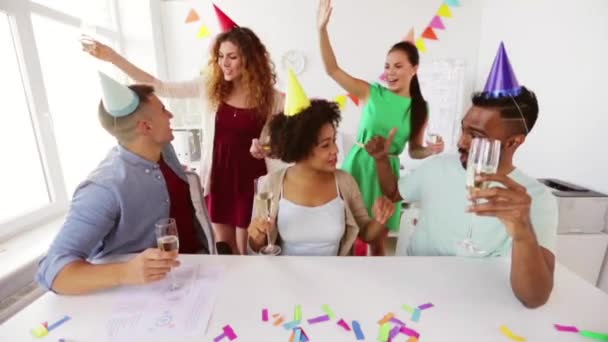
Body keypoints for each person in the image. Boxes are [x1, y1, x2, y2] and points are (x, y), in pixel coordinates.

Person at [366, 43, 557, 308]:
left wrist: (523, 231)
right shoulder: (438, 167)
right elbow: (392, 193)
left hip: (480, 306)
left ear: (514, 142)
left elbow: (534, 298)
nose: (461, 141)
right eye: (463, 129)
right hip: (414, 296)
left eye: (477, 136)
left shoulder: (536, 199)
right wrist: (380, 161)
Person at [82, 8, 282, 255]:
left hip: (250, 180)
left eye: (232, 57)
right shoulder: (211, 88)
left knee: (249, 249)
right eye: (220, 56)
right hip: (219, 177)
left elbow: (280, 143)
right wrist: (114, 57)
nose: (224, 63)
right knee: (224, 249)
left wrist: (265, 148)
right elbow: (160, 86)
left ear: (249, 59)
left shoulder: (273, 99)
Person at [37, 73, 209, 295]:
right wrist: (125, 272)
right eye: (163, 111)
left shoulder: (163, 149)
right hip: (146, 294)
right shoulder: (103, 188)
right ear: (145, 127)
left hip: (196, 273)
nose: (170, 115)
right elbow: (53, 270)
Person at [317, 0, 444, 255]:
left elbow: (415, 150)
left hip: (386, 176)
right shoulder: (370, 92)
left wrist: (429, 150)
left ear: (414, 69)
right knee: (348, 232)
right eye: (387, 66)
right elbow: (332, 70)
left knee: (378, 238)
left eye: (398, 66)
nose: (390, 72)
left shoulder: (419, 108)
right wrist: (321, 30)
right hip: (358, 165)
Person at [247, 72, 394, 255]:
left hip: (334, 277)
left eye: (333, 140)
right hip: (287, 278)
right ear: (301, 147)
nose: (335, 150)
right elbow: (255, 248)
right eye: (326, 145)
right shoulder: (271, 185)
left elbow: (367, 233)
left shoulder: (344, 182)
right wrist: (257, 237)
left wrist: (380, 220)